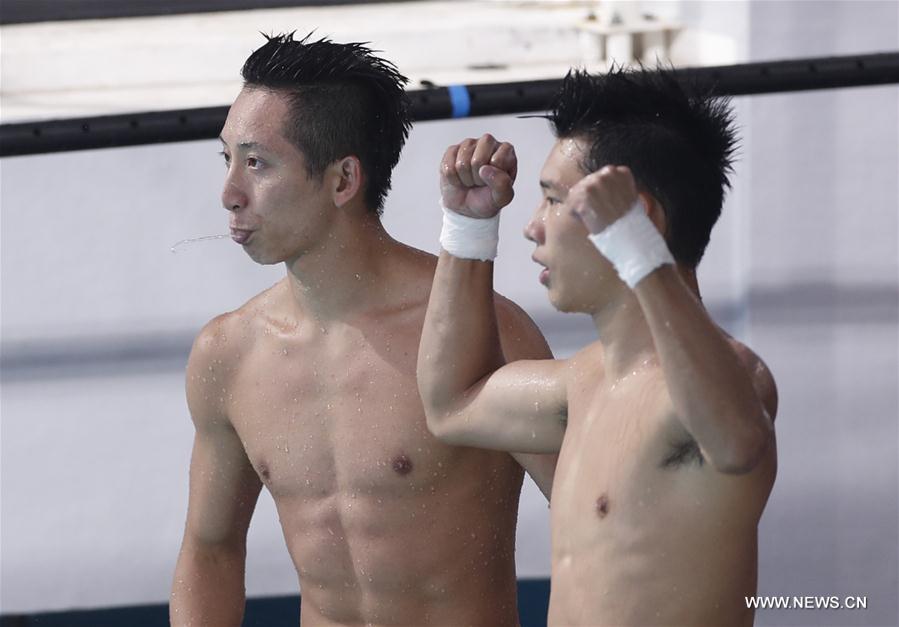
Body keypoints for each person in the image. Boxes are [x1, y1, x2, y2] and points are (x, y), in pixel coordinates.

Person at [170, 32, 555, 627]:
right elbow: (210, 550)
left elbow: (600, 523)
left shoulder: (483, 333)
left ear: (343, 179)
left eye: (257, 163)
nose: (229, 195)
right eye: (228, 160)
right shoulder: (228, 353)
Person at [418, 67, 778, 626]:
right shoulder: (580, 384)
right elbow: (451, 404)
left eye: (554, 201)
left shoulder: (729, 380)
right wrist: (467, 226)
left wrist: (639, 250)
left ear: (634, 217)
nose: (532, 227)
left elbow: (738, 443)